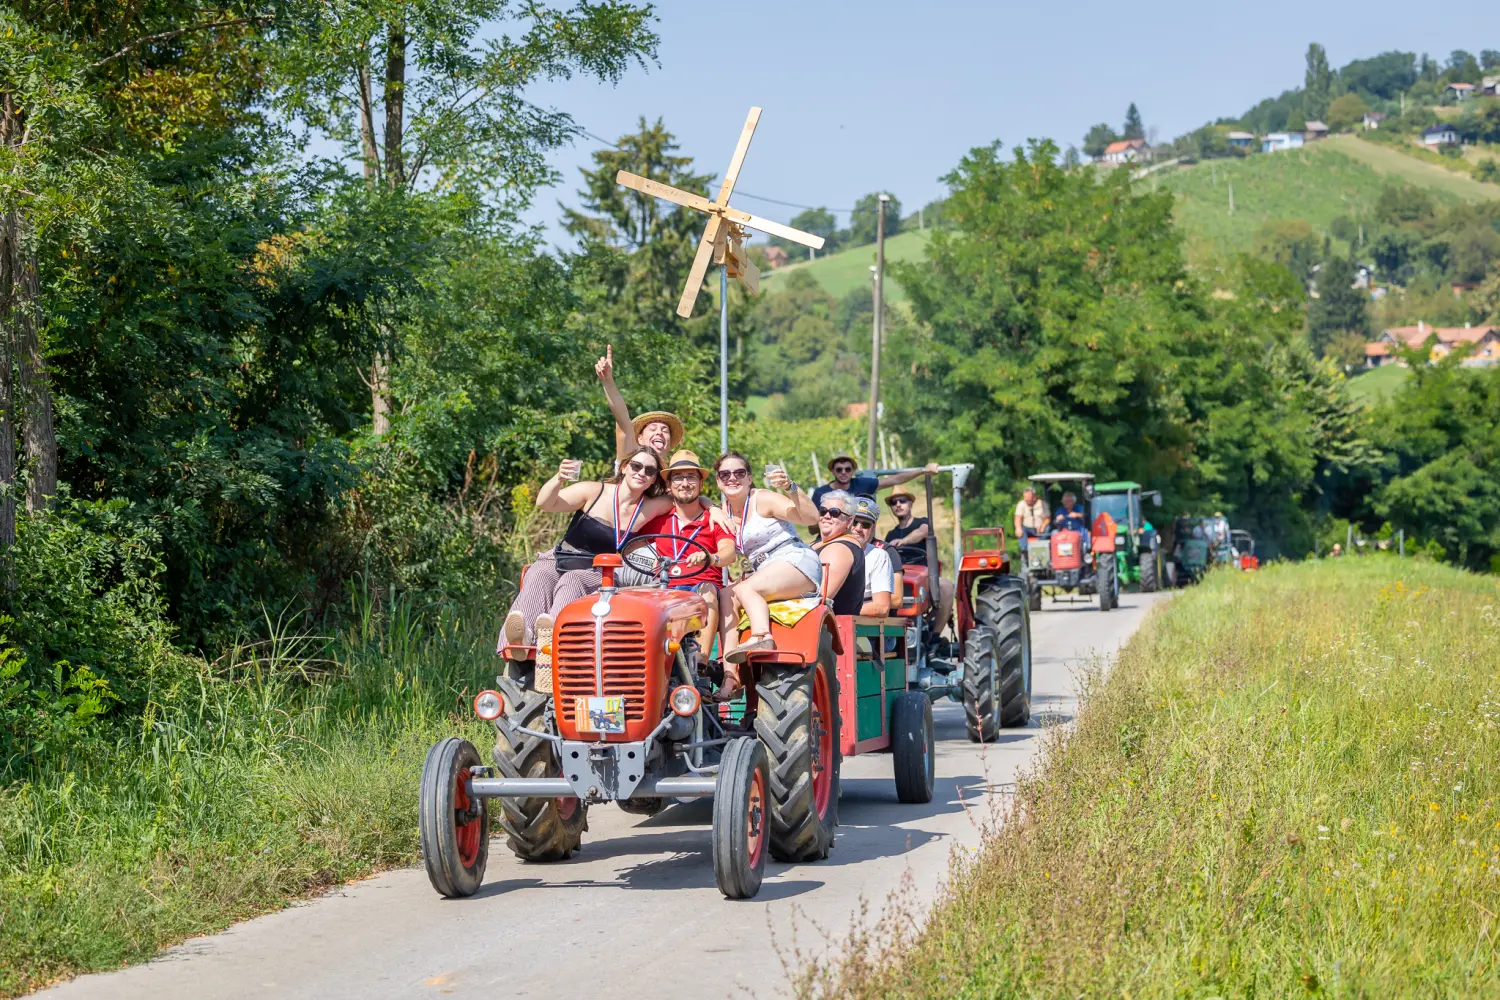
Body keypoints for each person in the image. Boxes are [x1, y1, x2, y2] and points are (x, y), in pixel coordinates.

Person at [500, 445, 680, 667]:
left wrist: (713, 505)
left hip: (595, 570)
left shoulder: (651, 506)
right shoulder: (593, 491)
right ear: (624, 467)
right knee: (539, 574)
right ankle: (521, 639)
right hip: (561, 557)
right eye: (636, 466)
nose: (641, 473)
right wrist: (558, 478)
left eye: (649, 471)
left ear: (653, 480)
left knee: (572, 581)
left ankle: (552, 642)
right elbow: (545, 504)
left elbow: (686, 499)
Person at [714, 451, 822, 679]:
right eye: (725, 474)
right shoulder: (721, 511)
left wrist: (791, 487)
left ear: (749, 478)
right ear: (718, 481)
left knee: (745, 589)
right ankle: (730, 677)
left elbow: (812, 518)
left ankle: (762, 636)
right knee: (725, 596)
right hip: (764, 570)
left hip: (793, 559)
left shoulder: (761, 499)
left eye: (739, 473)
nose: (732, 478)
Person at [624, 450, 738, 654]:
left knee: (708, 592)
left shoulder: (714, 519)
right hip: (665, 590)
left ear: (701, 484)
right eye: (678, 477)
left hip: (701, 588)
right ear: (668, 485)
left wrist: (711, 558)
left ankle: (701, 668)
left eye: (691, 477)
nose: (685, 483)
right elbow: (626, 544)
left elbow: (729, 552)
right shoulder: (658, 519)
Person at [883, 489, 955, 636]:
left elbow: (922, 532)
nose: (898, 504)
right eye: (893, 502)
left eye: (902, 500)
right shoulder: (891, 534)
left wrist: (903, 542)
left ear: (910, 503)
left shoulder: (922, 523)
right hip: (900, 576)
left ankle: (934, 635)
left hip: (923, 576)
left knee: (946, 586)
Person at [595, 344, 684, 461]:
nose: (659, 433)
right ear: (639, 439)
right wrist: (608, 381)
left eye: (665, 431)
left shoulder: (670, 477)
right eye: (652, 429)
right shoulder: (628, 461)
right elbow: (622, 420)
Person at [811, 490, 866, 616]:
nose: (827, 516)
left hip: (830, 630)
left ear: (849, 521)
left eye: (834, 512)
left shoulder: (841, 548)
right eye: (823, 511)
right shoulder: (817, 544)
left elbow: (819, 597)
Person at [811, 453, 940, 506]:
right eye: (839, 469)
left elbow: (895, 480)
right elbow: (811, 527)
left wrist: (923, 470)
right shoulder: (820, 493)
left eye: (847, 469)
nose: (843, 473)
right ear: (832, 471)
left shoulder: (863, 484)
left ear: (853, 471)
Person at [850, 496, 898, 617]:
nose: (858, 528)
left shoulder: (879, 555)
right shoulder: (828, 549)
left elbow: (882, 607)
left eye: (865, 524)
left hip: (862, 625)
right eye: (854, 522)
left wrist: (835, 614)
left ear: (873, 528)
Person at [1013, 485, 1050, 551]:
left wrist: (1043, 525)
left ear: (1034, 497)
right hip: (1027, 528)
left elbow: (1048, 518)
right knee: (1020, 530)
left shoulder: (1043, 504)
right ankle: (1024, 549)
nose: (1027, 501)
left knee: (1048, 528)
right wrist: (1018, 528)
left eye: (1029, 500)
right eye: (1025, 499)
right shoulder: (1021, 504)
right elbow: (1018, 518)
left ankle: (1039, 547)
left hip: (1040, 528)